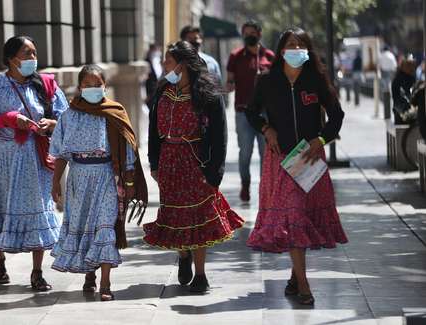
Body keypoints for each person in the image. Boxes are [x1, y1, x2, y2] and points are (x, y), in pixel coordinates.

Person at [0, 35, 69, 291]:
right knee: (4, 209)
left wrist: (51, 124)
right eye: (26, 53)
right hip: (3, 159)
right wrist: (7, 119)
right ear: (11, 59)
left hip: (35, 158)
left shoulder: (45, 85)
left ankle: (37, 272)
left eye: (34, 53)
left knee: (39, 210)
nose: (32, 59)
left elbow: (66, 119)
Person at [245, 27, 348, 305]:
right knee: (292, 215)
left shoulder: (316, 79)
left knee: (301, 216)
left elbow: (337, 115)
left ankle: (294, 274)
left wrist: (322, 138)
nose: (296, 48)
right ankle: (303, 284)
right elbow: (251, 111)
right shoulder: (267, 81)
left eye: (301, 44)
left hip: (309, 158)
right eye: (291, 44)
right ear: (280, 51)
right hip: (280, 159)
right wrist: (267, 129)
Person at [143, 41, 244, 293]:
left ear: (183, 64)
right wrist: (154, 163)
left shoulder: (207, 95)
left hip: (197, 164)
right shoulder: (163, 91)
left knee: (199, 217)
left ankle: (200, 274)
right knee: (178, 214)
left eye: (168, 61)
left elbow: (219, 135)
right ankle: (183, 254)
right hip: (169, 164)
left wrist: (215, 171)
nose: (164, 65)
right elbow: (153, 132)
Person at [50, 64, 147, 301]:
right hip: (78, 179)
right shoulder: (68, 116)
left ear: (104, 86)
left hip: (107, 177)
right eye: (88, 85)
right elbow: (61, 154)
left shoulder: (115, 112)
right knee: (85, 227)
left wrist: (131, 182)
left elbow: (128, 148)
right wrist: (55, 183)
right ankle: (89, 274)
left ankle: (105, 284)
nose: (93, 89)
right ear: (79, 87)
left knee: (105, 227)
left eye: (98, 85)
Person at [226, 20, 274, 202]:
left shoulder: (269, 56)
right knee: (245, 151)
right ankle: (245, 183)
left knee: (266, 153)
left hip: (265, 114)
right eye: (245, 34)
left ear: (259, 34)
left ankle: (265, 188)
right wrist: (229, 85)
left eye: (252, 33)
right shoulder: (236, 56)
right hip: (243, 112)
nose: (249, 37)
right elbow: (229, 81)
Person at [391, 56, 416, 124]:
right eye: (410, 66)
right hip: (403, 110)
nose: (412, 68)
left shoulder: (397, 78)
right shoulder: (406, 78)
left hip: (400, 109)